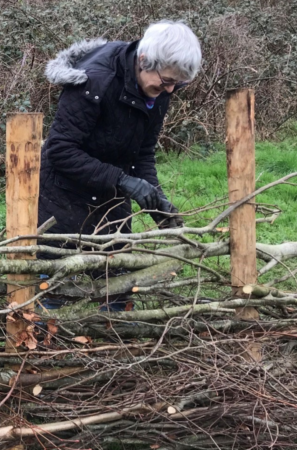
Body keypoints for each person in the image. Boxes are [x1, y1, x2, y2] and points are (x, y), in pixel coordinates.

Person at [36, 20, 201, 311]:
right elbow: (61, 150)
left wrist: (155, 201)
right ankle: (43, 344)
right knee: (56, 287)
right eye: (166, 81)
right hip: (63, 193)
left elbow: (142, 155)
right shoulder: (94, 80)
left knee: (118, 283)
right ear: (144, 61)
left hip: (111, 197)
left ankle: (117, 341)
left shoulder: (158, 91)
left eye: (178, 84)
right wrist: (123, 181)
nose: (171, 90)